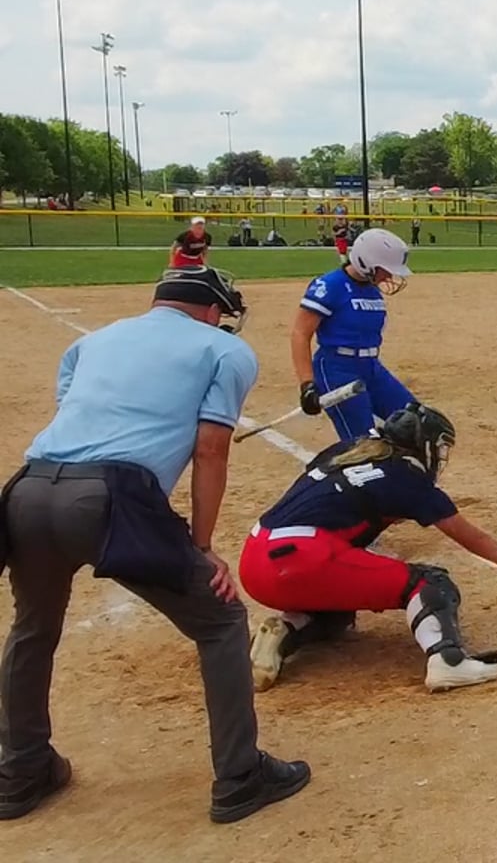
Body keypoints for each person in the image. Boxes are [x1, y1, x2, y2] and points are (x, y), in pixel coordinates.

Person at [0, 268, 310, 824]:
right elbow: (211, 450)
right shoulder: (223, 350)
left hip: (28, 489)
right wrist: (202, 545)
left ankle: (20, 771)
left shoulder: (93, 340)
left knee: (33, 628)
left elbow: (79, 416)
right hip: (110, 497)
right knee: (220, 620)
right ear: (212, 310)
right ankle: (240, 776)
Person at [242, 404, 497, 693]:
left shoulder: (346, 450)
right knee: (431, 583)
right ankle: (447, 660)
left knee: (339, 611)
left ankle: (286, 629)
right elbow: (468, 535)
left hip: (255, 560)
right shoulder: (406, 478)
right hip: (302, 559)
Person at [291, 227, 419, 443]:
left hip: (371, 367)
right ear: (366, 262)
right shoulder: (330, 286)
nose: (389, 276)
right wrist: (307, 384)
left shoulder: (371, 289)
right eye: (385, 269)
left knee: (416, 423)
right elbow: (300, 334)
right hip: (337, 371)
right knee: (363, 443)